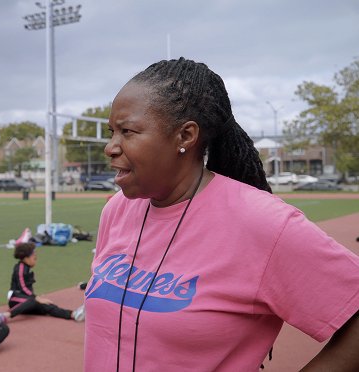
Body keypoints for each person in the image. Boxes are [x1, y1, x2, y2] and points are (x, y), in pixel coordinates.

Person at [83, 57, 359, 371]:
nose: (110, 147)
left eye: (127, 131)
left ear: (185, 136)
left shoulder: (261, 222)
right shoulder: (117, 210)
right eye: (111, 132)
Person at [0, 242, 85, 324]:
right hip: (15, 299)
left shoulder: (27, 268)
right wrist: (37, 298)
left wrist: (38, 300)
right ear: (25, 258)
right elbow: (23, 288)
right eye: (33, 254)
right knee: (33, 301)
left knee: (47, 306)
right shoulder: (20, 268)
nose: (35, 256)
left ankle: (73, 314)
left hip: (29, 300)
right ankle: (5, 316)